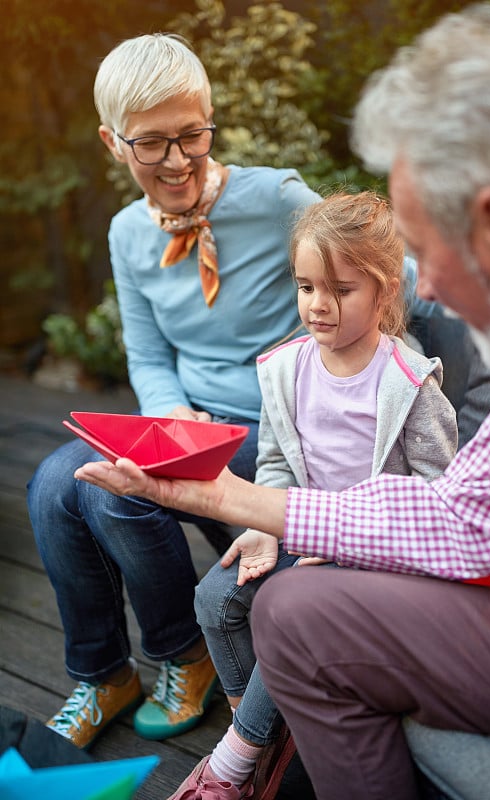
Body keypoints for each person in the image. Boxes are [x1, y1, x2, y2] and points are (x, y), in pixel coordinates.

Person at [74, 4, 490, 799]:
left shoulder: (409, 362)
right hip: (274, 461)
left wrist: (247, 502)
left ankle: (245, 758)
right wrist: (247, 500)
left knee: (290, 608)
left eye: (421, 251)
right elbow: (472, 513)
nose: (428, 292)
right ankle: (184, 694)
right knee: (67, 488)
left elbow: (454, 511)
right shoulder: (279, 356)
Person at [26, 31, 322, 751]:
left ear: (209, 117)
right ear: (113, 142)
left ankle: (180, 656)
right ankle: (103, 673)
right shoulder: (129, 232)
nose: (176, 160)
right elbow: (148, 352)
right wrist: (169, 416)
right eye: (151, 143)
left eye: (191, 135)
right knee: (54, 482)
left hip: (281, 429)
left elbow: (382, 274)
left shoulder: (276, 197)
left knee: (116, 488)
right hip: (191, 421)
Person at [172, 191, 457, 798]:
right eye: (306, 286)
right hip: (300, 530)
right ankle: (275, 736)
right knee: (215, 599)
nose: (318, 305)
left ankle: (234, 762)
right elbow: (274, 461)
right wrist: (261, 526)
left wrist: (356, 548)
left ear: (383, 291)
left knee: (290, 617)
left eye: (340, 289)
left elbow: (440, 499)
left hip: (374, 556)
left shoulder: (409, 384)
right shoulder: (286, 369)